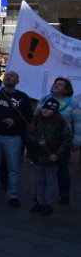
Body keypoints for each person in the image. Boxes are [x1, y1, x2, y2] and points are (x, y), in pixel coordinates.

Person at [0, 71, 33, 208]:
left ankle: (13, 195)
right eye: (7, 75)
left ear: (17, 81)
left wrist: (15, 121)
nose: (8, 77)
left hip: (13, 138)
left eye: (12, 76)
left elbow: (28, 116)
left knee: (13, 168)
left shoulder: (22, 97)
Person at [35, 77, 81, 205]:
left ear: (66, 89)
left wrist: (77, 141)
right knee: (41, 169)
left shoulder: (72, 103)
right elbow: (36, 117)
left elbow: (78, 122)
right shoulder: (44, 99)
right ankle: (39, 194)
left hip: (62, 142)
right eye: (55, 84)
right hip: (44, 141)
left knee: (61, 169)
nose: (56, 85)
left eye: (60, 84)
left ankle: (64, 194)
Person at [26, 99, 72, 216]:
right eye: (44, 108)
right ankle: (39, 202)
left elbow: (66, 140)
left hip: (52, 157)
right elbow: (29, 134)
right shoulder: (36, 119)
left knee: (50, 181)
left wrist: (57, 154)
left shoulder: (60, 123)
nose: (45, 110)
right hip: (38, 156)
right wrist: (37, 142)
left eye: (49, 109)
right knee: (39, 180)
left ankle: (48, 204)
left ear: (55, 111)